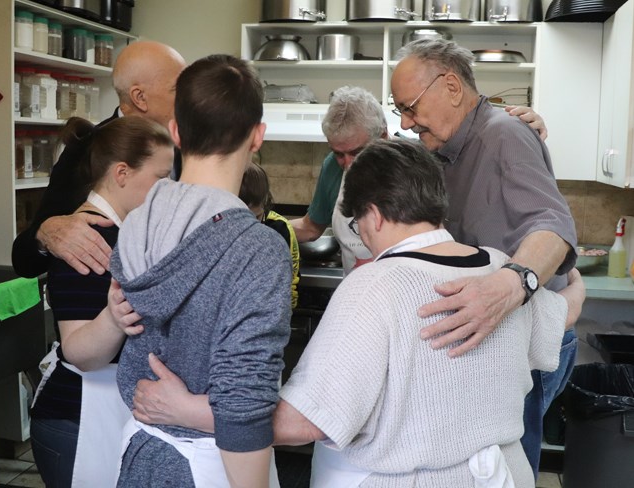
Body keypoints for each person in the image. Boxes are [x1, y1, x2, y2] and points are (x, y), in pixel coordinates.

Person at [132, 139, 586, 487]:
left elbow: (302, 422)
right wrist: (575, 276)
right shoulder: (499, 274)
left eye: (357, 224)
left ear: (374, 215)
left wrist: (188, 409)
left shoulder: (375, 285)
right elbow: (566, 312)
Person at [390, 39, 578, 477]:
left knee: (513, 466)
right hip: (498, 329)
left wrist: (511, 284)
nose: (405, 120)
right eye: (399, 109)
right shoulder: (443, 149)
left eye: (411, 107)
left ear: (452, 87)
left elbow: (553, 226)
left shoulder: (504, 135)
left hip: (531, 335)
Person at [109, 54, 292, 488]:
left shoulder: (137, 222)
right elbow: (242, 402)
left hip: (141, 453)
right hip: (217, 465)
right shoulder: (256, 247)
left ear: (175, 131)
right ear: (257, 136)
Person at [30, 115, 175, 488]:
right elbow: (78, 349)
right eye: (161, 178)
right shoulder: (88, 237)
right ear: (122, 173)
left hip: (104, 412)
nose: (168, 190)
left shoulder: (122, 232)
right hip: (75, 421)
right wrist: (114, 318)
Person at [289, 86, 549, 274]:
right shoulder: (331, 168)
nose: (348, 164)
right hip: (361, 293)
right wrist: (269, 228)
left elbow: (473, 140)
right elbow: (312, 227)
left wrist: (520, 126)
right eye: (338, 154)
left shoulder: (420, 160)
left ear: (383, 136)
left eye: (357, 152)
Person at [11, 40, 186, 279]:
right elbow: (25, 259)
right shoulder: (86, 150)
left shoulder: (187, 147)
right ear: (140, 97)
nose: (190, 97)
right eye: (179, 88)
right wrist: (45, 233)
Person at [240, 161, 300, 308]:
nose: (251, 226)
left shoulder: (280, 228)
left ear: (265, 202)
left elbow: (290, 281)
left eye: (256, 217)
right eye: (243, 218)